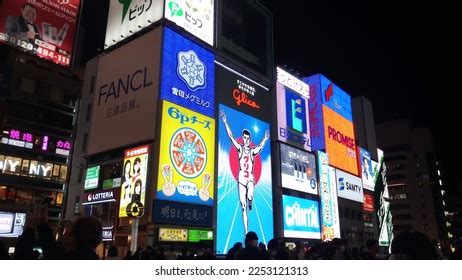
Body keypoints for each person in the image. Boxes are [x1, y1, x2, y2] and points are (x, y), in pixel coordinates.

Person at [220, 110, 270, 233]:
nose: (246, 140)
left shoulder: (252, 151)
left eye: (248, 138)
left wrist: (265, 138)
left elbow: (260, 146)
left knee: (250, 195)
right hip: (241, 178)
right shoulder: (240, 149)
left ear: (250, 139)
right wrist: (225, 122)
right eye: (245, 138)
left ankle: (251, 200)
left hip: (250, 178)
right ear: (243, 139)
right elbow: (231, 137)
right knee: (243, 207)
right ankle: (246, 231)